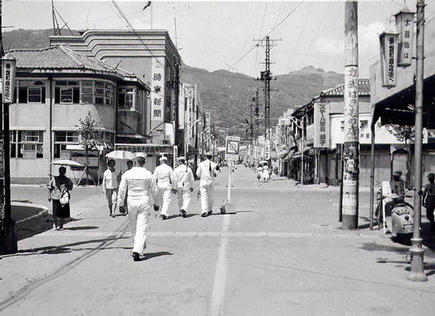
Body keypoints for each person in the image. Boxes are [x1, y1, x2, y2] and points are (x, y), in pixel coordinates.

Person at [118, 152, 159, 261]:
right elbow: (155, 190)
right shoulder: (148, 174)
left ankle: (136, 247)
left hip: (131, 201)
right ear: (144, 162)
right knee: (142, 226)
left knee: (133, 226)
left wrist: (120, 204)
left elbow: (122, 190)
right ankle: (137, 249)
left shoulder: (127, 174)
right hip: (144, 201)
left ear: (135, 161)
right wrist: (156, 203)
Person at [153, 156, 174, 220]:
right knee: (166, 199)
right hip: (167, 184)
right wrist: (173, 186)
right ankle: (163, 212)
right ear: (166, 161)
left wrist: (154, 186)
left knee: (161, 199)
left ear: (161, 161)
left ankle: (163, 212)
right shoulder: (169, 168)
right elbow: (172, 178)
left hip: (159, 184)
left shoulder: (157, 168)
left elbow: (154, 178)